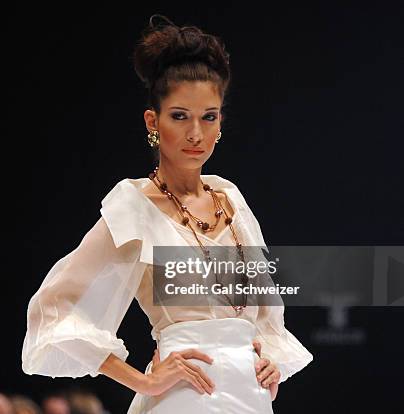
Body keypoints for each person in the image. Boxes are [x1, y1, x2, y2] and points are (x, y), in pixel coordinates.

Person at [21, 14, 313, 413]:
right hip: (183, 398)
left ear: (220, 122)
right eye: (180, 116)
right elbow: (53, 309)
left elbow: (264, 314)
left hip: (250, 398)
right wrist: (142, 379)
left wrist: (270, 363)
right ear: (152, 122)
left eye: (208, 117)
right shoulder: (135, 206)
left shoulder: (231, 199)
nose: (196, 134)